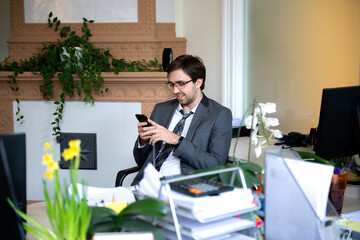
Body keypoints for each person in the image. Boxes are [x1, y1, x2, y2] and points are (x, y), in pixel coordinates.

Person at [132, 54, 232, 185]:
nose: (175, 90)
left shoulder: (219, 114)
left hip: (182, 186)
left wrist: (176, 140)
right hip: (146, 183)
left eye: (181, 84)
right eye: (172, 84)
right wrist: (143, 141)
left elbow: (215, 165)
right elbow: (141, 161)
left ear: (198, 82)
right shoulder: (161, 109)